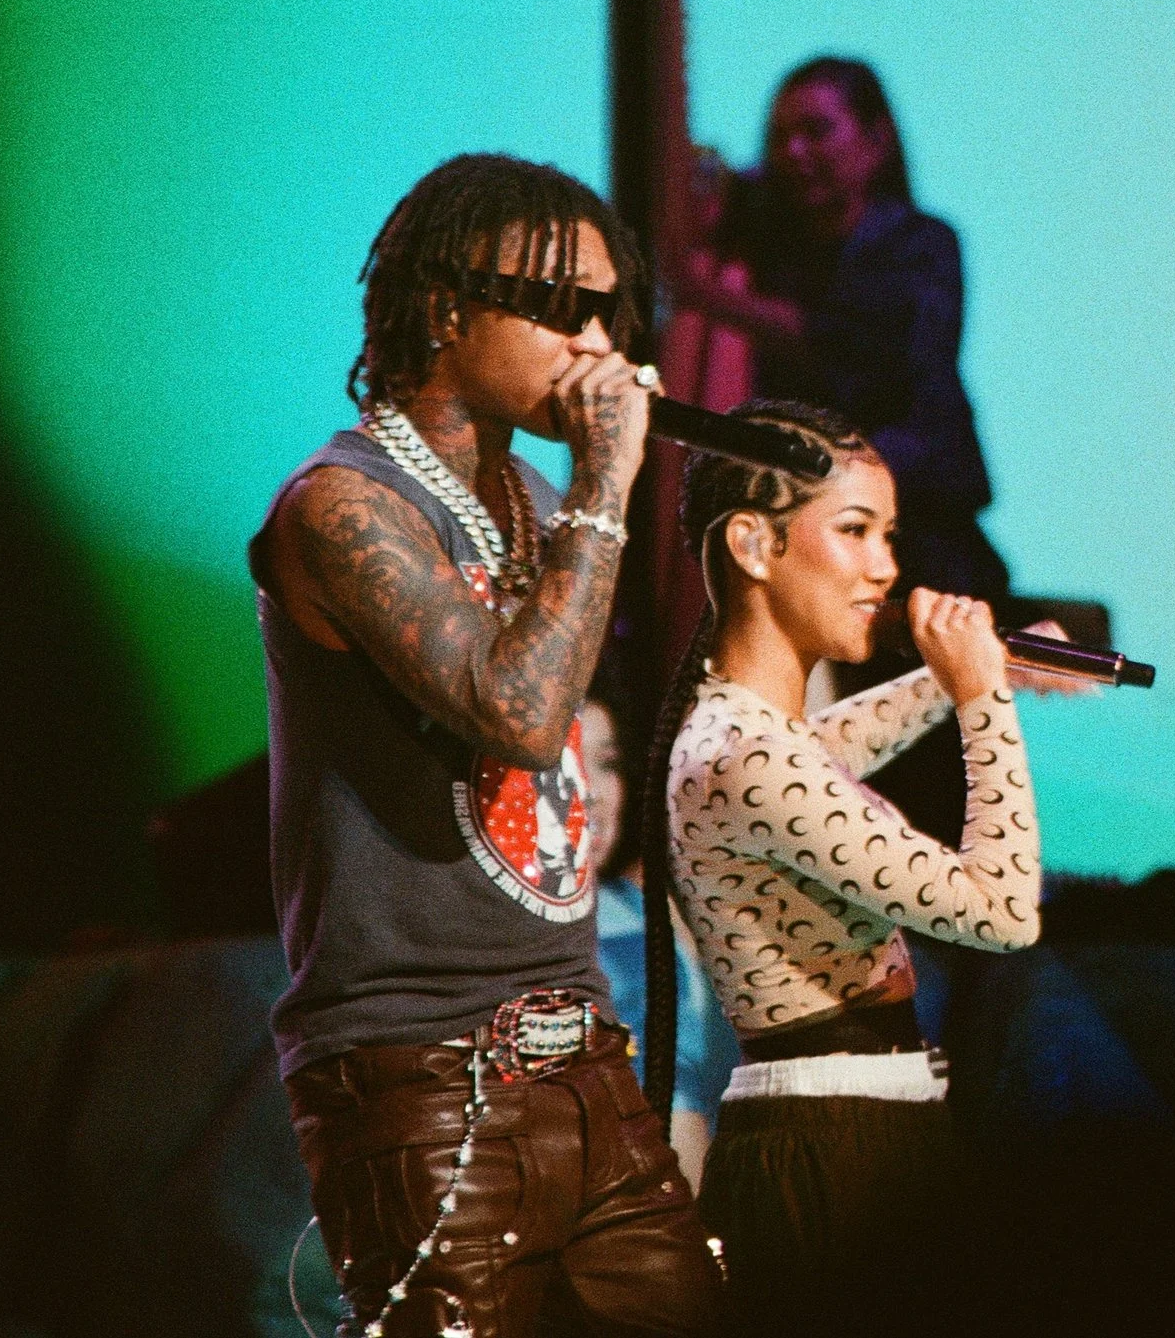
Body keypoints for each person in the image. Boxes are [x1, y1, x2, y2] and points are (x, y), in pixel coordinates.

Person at [249, 154, 724, 1338]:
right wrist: (606, 482)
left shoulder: (526, 499)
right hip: (418, 1075)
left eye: (613, 313)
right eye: (565, 308)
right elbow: (511, 707)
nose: (598, 345)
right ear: (446, 307)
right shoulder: (342, 506)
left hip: (583, 1054)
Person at [642, 399, 1044, 1334]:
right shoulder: (743, 752)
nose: (887, 568)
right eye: (855, 531)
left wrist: (976, 675)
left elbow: (827, 744)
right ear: (752, 543)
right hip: (829, 1144)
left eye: (889, 534)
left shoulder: (754, 738)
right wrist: (984, 700)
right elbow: (1003, 910)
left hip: (855, 1127)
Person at [671, 59, 1009, 603]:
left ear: (876, 139)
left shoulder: (923, 246)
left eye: (816, 131)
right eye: (781, 137)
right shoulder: (773, 251)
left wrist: (709, 297)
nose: (795, 153)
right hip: (810, 536)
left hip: (921, 520)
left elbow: (854, 347)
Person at [577, 695, 741, 1190]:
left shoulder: (650, 906)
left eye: (606, 765)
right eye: (567, 766)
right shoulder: (492, 948)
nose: (595, 795)